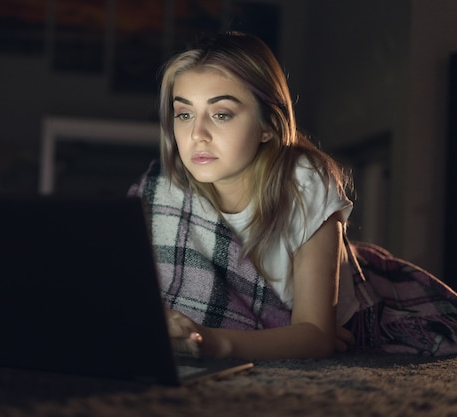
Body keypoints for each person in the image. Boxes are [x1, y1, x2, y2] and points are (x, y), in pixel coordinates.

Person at [128, 32, 457, 360]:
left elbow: (315, 335)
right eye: (184, 114)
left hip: (360, 286)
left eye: (221, 114)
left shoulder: (305, 182)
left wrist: (214, 341)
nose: (197, 134)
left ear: (268, 124)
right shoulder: (163, 192)